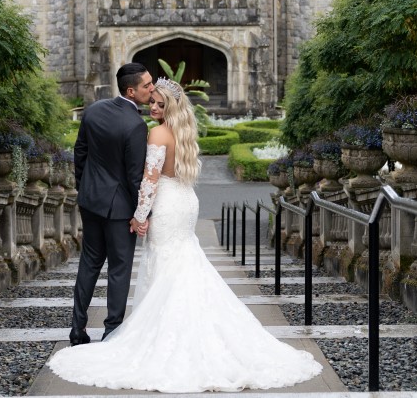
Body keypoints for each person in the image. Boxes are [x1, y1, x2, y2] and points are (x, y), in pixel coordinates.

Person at [49, 77, 323, 392]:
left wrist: (139, 217)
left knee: (168, 267)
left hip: (166, 206)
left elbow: (149, 180)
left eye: (159, 104)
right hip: (184, 202)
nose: (152, 106)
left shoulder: (156, 133)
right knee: (185, 265)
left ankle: (166, 337)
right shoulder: (185, 132)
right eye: (151, 101)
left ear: (172, 107)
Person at [68, 62, 155, 346]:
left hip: (91, 202)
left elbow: (79, 153)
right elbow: (134, 177)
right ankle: (112, 330)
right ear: (131, 91)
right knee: (119, 269)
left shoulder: (93, 110)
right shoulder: (135, 126)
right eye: (146, 86)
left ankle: (77, 329)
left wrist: (84, 189)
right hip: (119, 211)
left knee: (89, 265)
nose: (151, 89)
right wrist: (141, 213)